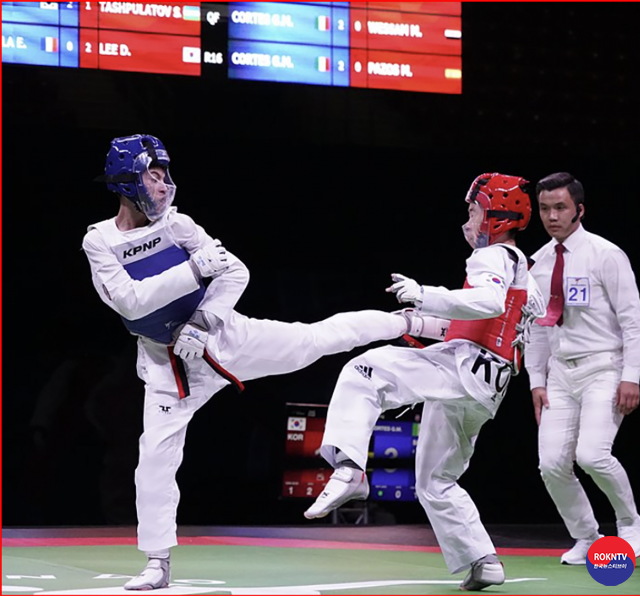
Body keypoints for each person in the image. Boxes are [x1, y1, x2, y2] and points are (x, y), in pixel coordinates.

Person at [83, 134, 418, 590]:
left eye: (164, 176)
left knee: (312, 339)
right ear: (127, 181)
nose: (162, 187)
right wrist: (194, 269)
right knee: (154, 462)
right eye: (152, 176)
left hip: (224, 337)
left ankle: (407, 322)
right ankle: (157, 562)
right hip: (167, 368)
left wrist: (203, 320)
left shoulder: (181, 226)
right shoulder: (99, 240)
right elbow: (130, 303)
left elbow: (236, 271)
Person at [303, 173, 546, 591]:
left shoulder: (490, 257)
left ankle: (349, 469)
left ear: (498, 218)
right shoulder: (521, 268)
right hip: (487, 390)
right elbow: (497, 317)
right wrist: (420, 322)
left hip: (465, 369)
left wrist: (424, 294)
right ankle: (482, 560)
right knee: (436, 480)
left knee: (365, 372)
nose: (468, 221)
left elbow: (487, 302)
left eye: (474, 211)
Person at [523, 172, 640, 565]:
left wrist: (632, 375)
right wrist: (536, 381)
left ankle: (631, 526)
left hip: (604, 367)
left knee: (592, 455)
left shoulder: (605, 254)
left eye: (559, 207)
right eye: (544, 208)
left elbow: (633, 321)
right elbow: (536, 328)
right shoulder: (538, 264)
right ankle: (587, 537)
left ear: (579, 209)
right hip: (560, 373)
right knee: (551, 465)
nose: (551, 216)